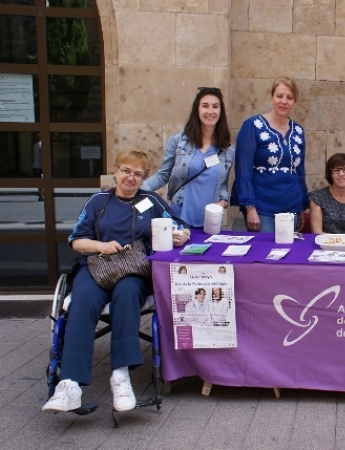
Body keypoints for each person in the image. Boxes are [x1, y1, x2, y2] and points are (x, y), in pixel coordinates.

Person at [42, 149, 190, 414]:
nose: (130, 178)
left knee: (127, 293)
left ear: (144, 177)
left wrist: (180, 235)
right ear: (116, 171)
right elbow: (77, 240)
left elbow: (178, 225)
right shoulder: (98, 201)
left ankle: (120, 377)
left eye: (138, 174)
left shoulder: (151, 201)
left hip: (134, 268)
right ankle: (69, 385)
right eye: (126, 171)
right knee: (83, 300)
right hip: (98, 264)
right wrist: (100, 245)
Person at [141, 87, 234, 228]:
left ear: (221, 111)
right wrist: (135, 188)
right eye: (205, 106)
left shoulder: (227, 150)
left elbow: (222, 184)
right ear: (197, 110)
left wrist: (223, 201)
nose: (210, 111)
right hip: (180, 219)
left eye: (215, 106)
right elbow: (163, 175)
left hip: (210, 223)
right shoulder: (178, 141)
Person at [230, 77, 308, 233]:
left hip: (291, 207)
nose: (284, 101)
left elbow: (300, 173)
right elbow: (243, 170)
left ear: (294, 102)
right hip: (262, 208)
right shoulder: (253, 126)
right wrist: (250, 208)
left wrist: (301, 208)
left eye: (289, 97)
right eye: (279, 96)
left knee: (286, 253)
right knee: (264, 254)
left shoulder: (298, 131)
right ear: (272, 97)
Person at [33, 133, 43, 201]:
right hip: (41, 166)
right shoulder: (41, 145)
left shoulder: (36, 145)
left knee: (39, 180)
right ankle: (41, 195)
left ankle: (40, 194)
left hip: (36, 165)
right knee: (43, 180)